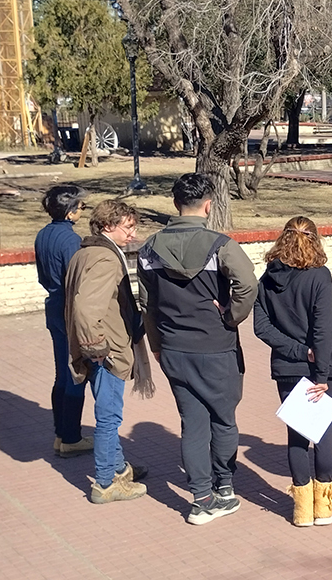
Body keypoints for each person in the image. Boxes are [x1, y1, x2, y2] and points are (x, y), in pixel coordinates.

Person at [138, 173, 259, 525]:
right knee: (223, 420)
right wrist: (231, 317)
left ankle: (201, 498)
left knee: (192, 423)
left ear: (176, 204)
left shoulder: (149, 249)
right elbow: (248, 285)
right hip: (216, 346)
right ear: (208, 206)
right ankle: (224, 487)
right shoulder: (221, 245)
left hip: (173, 348)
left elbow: (147, 305)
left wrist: (157, 345)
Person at [253, 216, 332, 527]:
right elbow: (322, 330)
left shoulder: (268, 278)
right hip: (320, 367)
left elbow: (262, 327)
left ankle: (302, 510)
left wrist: (295, 351)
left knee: (296, 437)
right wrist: (321, 374)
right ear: (315, 240)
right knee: (323, 437)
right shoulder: (320, 276)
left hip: (287, 367)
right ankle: (323, 507)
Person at [64, 199, 148, 504]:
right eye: (127, 227)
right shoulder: (105, 259)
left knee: (106, 412)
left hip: (98, 346)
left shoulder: (85, 252)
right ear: (107, 226)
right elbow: (86, 307)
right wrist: (97, 347)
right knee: (109, 417)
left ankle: (119, 468)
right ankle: (104, 483)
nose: (133, 234)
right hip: (106, 350)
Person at [35, 184, 92, 458]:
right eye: (81, 206)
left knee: (62, 372)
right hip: (68, 309)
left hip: (54, 306)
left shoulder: (43, 234)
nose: (82, 210)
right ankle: (71, 437)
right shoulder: (70, 240)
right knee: (76, 373)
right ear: (70, 212)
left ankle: (61, 433)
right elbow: (76, 280)